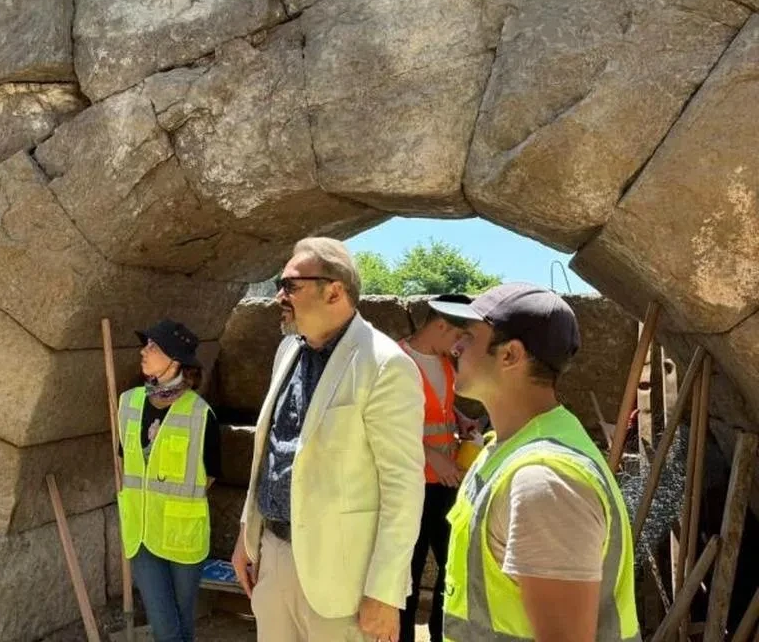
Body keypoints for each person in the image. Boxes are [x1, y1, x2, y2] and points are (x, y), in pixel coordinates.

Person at [231, 237, 425, 642]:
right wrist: (246, 538)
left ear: (334, 290)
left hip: (343, 583)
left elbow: (403, 488)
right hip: (273, 558)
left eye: (290, 286)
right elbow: (272, 454)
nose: (279, 297)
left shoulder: (386, 365)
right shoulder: (287, 351)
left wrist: (385, 593)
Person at [434, 284, 639, 641]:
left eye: (468, 337)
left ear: (510, 355)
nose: (455, 347)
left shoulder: (544, 481)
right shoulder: (503, 449)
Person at [116, 319, 220, 642]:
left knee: (182, 625)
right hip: (141, 534)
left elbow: (209, 475)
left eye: (153, 346)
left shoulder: (201, 414)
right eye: (146, 344)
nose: (143, 351)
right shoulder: (128, 403)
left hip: (182, 537)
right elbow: (125, 459)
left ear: (175, 361)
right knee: (166, 628)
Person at [397, 295, 482, 642]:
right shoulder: (394, 361)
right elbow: (381, 428)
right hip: (410, 486)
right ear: (441, 325)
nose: (461, 346)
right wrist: (431, 455)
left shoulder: (444, 362)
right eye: (459, 337)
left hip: (446, 485)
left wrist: (459, 419)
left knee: (452, 569)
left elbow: (438, 408)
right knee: (406, 574)